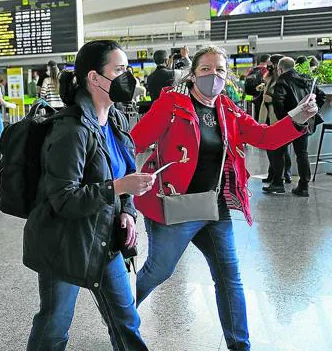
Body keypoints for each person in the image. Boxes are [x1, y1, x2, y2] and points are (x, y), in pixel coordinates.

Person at [130, 46, 319, 351]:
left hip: (214, 207)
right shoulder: (172, 104)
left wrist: (299, 117)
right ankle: (120, 312)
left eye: (220, 70)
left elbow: (264, 136)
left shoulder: (228, 109)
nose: (213, 76)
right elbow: (134, 141)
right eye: (206, 69)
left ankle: (239, 346)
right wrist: (123, 185)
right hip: (174, 208)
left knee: (230, 278)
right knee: (158, 271)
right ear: (192, 75)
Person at [24, 40, 153, 351]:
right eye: (119, 70)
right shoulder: (72, 131)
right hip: (65, 244)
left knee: (126, 320)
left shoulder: (117, 120)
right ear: (95, 78)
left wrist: (126, 209)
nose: (128, 78)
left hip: (103, 239)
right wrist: (120, 189)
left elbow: (121, 172)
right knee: (54, 326)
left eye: (128, 69)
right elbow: (64, 199)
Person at [267, 57, 326, 197]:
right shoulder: (306, 79)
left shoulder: (282, 80)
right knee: (302, 153)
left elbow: (278, 102)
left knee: (277, 151)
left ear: (279, 69)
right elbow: (321, 96)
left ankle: (277, 183)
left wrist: (284, 119)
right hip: (304, 122)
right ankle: (304, 186)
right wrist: (310, 113)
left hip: (289, 122)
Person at [257, 54, 291, 185]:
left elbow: (283, 98)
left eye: (271, 64)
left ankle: (281, 175)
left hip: (276, 117)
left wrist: (271, 99)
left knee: (278, 149)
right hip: (266, 116)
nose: (268, 66)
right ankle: (273, 173)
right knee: (271, 147)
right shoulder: (270, 78)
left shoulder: (282, 79)